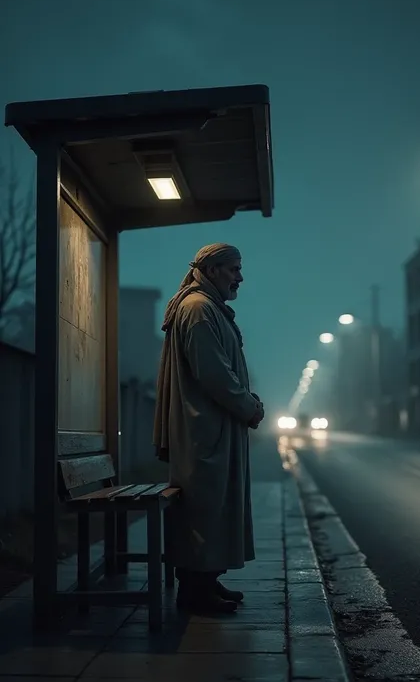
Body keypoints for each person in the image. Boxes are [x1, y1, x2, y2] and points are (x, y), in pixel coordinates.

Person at [153, 243, 265, 614]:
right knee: (205, 508)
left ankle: (207, 581)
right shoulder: (199, 309)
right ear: (213, 269)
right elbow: (214, 374)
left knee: (213, 507)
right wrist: (249, 407)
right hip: (203, 429)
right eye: (233, 269)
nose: (240, 277)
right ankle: (195, 592)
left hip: (211, 427)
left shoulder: (205, 307)